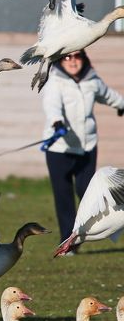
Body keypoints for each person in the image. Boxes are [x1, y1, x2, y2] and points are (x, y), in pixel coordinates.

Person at [41, 49, 124, 248]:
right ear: (61, 60)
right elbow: (51, 106)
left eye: (77, 56)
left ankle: (100, 229)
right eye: (68, 57)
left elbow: (107, 94)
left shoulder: (91, 79)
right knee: (64, 196)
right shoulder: (55, 81)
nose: (73, 61)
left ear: (84, 58)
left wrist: (121, 104)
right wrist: (57, 123)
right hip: (59, 148)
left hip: (87, 147)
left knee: (87, 191)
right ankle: (70, 243)